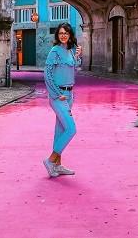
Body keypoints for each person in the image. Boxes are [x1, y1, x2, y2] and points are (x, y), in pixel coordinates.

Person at [42, 23, 83, 177]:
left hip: (69, 95)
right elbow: (47, 74)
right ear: (57, 35)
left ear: (70, 35)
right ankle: (51, 160)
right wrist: (57, 93)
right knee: (71, 129)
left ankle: (57, 166)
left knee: (60, 130)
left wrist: (78, 57)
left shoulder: (71, 52)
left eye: (66, 33)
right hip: (59, 96)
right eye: (60, 33)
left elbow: (74, 70)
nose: (63, 35)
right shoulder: (55, 52)